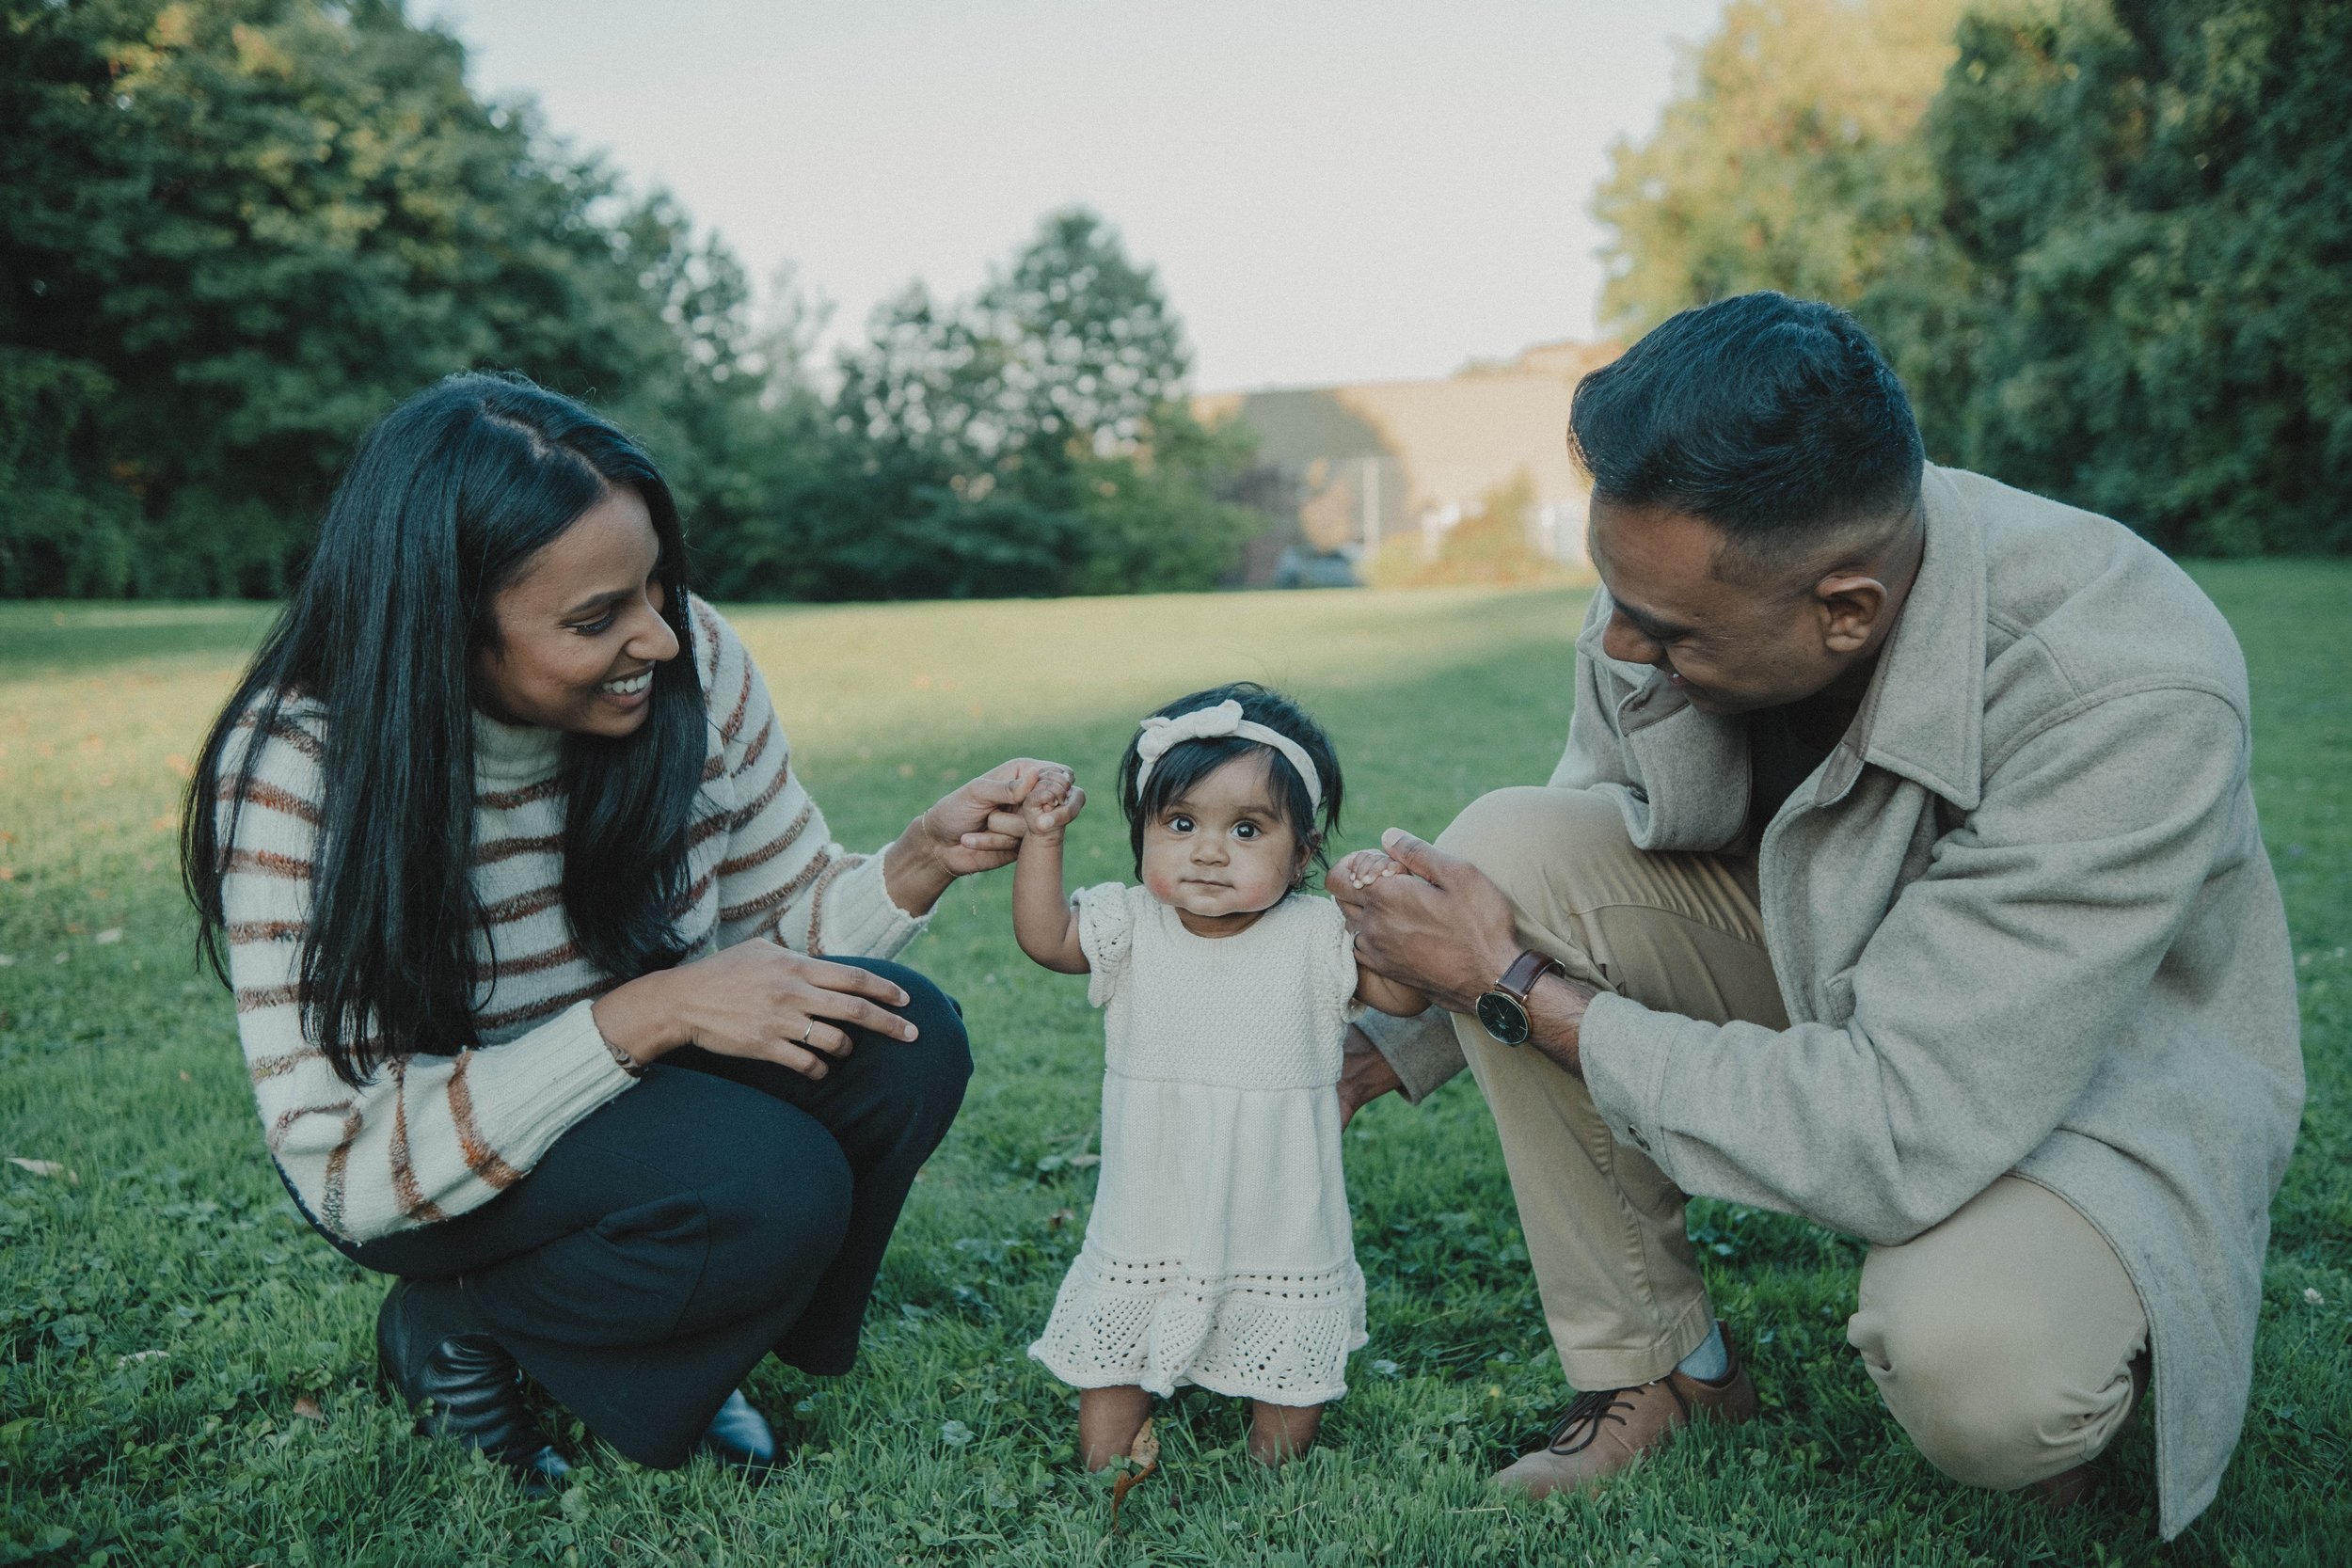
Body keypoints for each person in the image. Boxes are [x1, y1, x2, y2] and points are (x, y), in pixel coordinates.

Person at [1329, 293, 2302, 1539]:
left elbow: (1904, 1119)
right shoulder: (1687, 573)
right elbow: (1588, 829)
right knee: (1510, 848)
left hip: (2089, 1079)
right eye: (1612, 593)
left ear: (1845, 608)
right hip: (1831, 965)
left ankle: (2084, 1299)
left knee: (1985, 1364)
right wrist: (1401, 1028)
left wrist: (1517, 985)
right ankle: (1660, 1370)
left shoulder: (2126, 687)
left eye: (1664, 629)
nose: (1619, 636)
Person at [183, 372, 1070, 1487]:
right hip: (418, 1156)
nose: (657, 636)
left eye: (656, 584)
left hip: (626, 1083)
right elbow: (344, 1154)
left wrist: (916, 862)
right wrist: (640, 1016)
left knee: (906, 1038)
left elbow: (772, 925)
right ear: (442, 628)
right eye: (597, 617)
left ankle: (681, 1347)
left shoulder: (688, 659)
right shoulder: (300, 767)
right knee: (767, 1178)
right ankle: (455, 1323)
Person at [1009, 685, 1426, 1469]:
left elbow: (1403, 997)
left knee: (1286, 1321)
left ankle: (1275, 1468)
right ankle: (1104, 1462)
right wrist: (1042, 841)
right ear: (1142, 831)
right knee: (1127, 1323)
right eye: (1180, 822)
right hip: (1155, 1184)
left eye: (1246, 828)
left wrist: (1380, 905)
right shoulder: (1132, 921)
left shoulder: (1315, 934)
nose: (1208, 850)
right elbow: (1045, 936)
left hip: (1277, 1189)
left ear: (1302, 853)